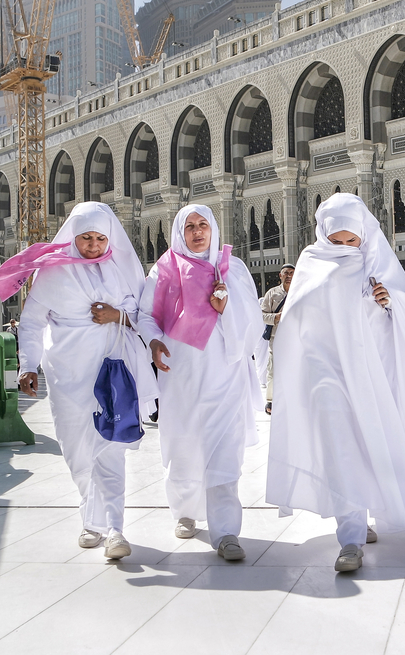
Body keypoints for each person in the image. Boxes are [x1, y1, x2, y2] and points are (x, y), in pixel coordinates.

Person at [265, 193, 405, 572]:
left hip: (367, 375)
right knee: (340, 449)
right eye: (336, 241)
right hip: (325, 375)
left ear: (362, 237)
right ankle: (351, 537)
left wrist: (386, 304)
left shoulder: (377, 264)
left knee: (367, 446)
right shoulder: (311, 262)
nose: (343, 249)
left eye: (351, 241)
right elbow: (297, 319)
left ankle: (360, 510)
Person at [0, 202, 159, 560]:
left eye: (99, 238)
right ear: (73, 237)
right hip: (68, 374)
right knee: (76, 449)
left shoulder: (123, 270)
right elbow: (32, 322)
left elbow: (146, 316)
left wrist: (117, 315)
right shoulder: (53, 273)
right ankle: (90, 520)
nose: (93, 246)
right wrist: (28, 365)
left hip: (113, 371)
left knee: (110, 447)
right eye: (86, 238)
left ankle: (114, 528)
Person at [137, 204, 263, 562]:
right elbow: (146, 315)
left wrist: (225, 311)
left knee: (225, 451)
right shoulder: (163, 269)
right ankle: (185, 511)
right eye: (189, 226)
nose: (196, 232)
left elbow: (253, 323)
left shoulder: (232, 269)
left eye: (203, 225)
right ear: (179, 231)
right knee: (184, 447)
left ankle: (226, 532)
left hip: (224, 376)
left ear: (213, 229)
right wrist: (154, 340)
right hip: (181, 376)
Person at [260, 264, 295, 414]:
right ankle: (271, 401)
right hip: (276, 337)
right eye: (286, 273)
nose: (289, 276)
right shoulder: (272, 293)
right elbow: (261, 315)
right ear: (280, 276)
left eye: (292, 273)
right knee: (273, 369)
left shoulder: (300, 291)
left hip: (295, 336)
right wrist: (276, 318)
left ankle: (294, 399)